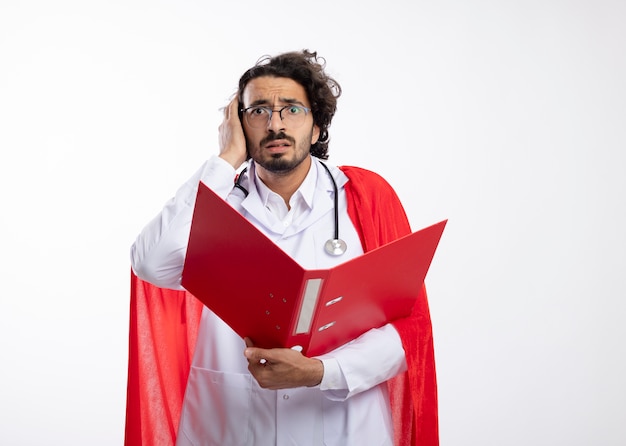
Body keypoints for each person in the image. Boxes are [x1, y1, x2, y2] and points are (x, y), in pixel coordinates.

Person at [125, 50, 438, 446]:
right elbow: (150, 265)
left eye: (291, 109)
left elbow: (409, 331)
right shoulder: (216, 202)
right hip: (229, 429)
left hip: (346, 431)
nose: (275, 124)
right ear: (238, 124)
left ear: (317, 126)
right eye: (258, 111)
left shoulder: (364, 200)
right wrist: (226, 160)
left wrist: (321, 372)